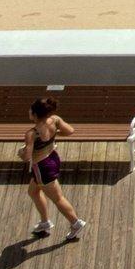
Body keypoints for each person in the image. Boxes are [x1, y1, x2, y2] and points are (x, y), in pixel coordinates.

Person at [23, 97, 86, 241]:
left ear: (35, 114)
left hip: (41, 167)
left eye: (30, 109)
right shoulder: (55, 120)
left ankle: (75, 223)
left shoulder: (32, 134)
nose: (29, 111)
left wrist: (21, 152)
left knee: (58, 198)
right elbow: (70, 131)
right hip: (53, 158)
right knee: (33, 191)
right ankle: (45, 222)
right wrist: (54, 134)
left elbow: (27, 157)